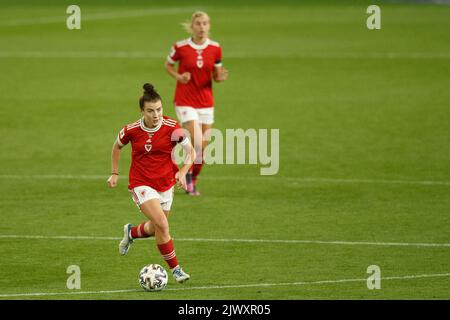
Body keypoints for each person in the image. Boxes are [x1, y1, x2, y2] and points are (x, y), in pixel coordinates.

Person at [107, 83, 196, 283]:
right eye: (150, 111)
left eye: (159, 109)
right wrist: (114, 173)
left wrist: (182, 171)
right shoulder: (131, 130)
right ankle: (176, 270)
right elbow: (116, 147)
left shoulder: (173, 127)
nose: (156, 115)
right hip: (141, 183)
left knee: (156, 228)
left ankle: (131, 232)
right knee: (163, 225)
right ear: (142, 111)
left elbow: (191, 152)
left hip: (166, 183)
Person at [165, 11, 228, 196]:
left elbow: (216, 74)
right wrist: (179, 76)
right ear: (192, 26)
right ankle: (185, 175)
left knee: (203, 151)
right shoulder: (181, 47)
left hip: (206, 102)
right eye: (198, 23)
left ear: (209, 26)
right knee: (198, 142)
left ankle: (192, 177)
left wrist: (220, 77)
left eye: (205, 23)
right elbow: (168, 65)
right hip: (185, 100)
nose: (202, 27)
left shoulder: (216, 48)